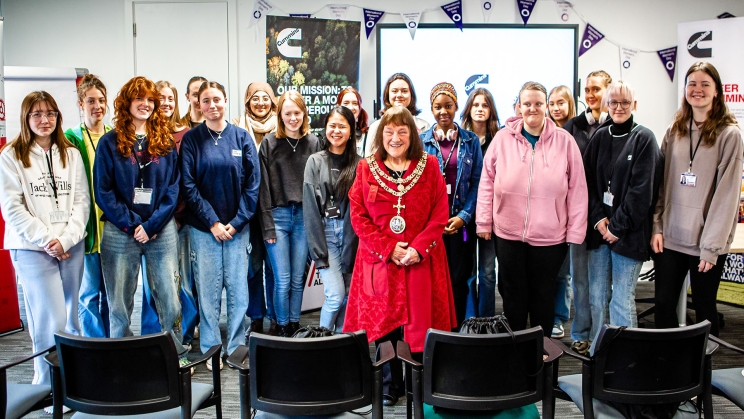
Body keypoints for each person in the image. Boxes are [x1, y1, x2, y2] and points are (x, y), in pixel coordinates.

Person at [345, 105, 456, 406]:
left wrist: (418, 249)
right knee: (386, 326)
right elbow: (358, 215)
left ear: (412, 136)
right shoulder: (366, 169)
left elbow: (439, 214)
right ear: (380, 135)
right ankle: (389, 384)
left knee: (423, 323)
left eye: (402, 132)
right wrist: (387, 248)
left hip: (421, 260)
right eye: (389, 131)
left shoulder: (430, 165)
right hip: (380, 261)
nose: (395, 137)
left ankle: (419, 384)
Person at [475, 81, 588, 337]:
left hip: (550, 238)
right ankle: (514, 362)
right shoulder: (503, 138)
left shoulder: (565, 141)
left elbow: (578, 189)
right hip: (508, 234)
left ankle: (542, 359)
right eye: (527, 104)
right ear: (519, 106)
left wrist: (575, 232)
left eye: (538, 103)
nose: (533, 109)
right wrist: (483, 222)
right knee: (513, 299)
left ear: (546, 106)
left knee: (542, 299)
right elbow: (486, 182)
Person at [94, 76, 188, 359]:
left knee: (170, 298)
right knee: (120, 303)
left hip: (161, 229)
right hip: (120, 231)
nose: (145, 105)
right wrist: (134, 225)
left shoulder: (165, 142)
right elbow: (104, 192)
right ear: (127, 103)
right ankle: (121, 358)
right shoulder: (109, 143)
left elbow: (174, 189)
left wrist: (152, 225)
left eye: (150, 100)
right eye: (139, 99)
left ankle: (176, 353)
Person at [0, 91, 89, 385]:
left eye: (50, 113)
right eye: (36, 114)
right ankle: (48, 387)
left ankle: (74, 383)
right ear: (26, 118)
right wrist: (48, 240)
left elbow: (81, 202)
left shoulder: (70, 153)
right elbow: (13, 209)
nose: (44, 120)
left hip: (70, 245)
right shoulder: (11, 156)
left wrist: (65, 239)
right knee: (48, 319)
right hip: (32, 249)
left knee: (71, 319)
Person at [652, 62, 743, 337]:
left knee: (704, 309)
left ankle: (705, 374)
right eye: (692, 84)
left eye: (705, 84)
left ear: (717, 91)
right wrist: (657, 226)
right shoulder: (674, 129)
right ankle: (667, 370)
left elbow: (727, 196)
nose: (697, 89)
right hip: (670, 237)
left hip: (705, 243)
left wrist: (712, 247)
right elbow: (661, 186)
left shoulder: (730, 134)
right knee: (663, 307)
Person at [181, 80, 260, 370]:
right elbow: (188, 186)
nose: (212, 106)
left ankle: (237, 347)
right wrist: (213, 222)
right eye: (206, 101)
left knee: (239, 290)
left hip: (237, 230)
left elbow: (253, 185)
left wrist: (236, 222)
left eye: (217, 99)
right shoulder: (192, 139)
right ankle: (211, 348)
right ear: (198, 104)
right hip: (204, 230)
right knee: (209, 290)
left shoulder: (241, 137)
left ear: (226, 101)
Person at [584, 81, 662, 348]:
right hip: (599, 232)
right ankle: (598, 352)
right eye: (614, 102)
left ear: (634, 105)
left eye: (625, 103)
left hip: (628, 235)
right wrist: (599, 221)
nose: (618, 107)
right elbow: (589, 184)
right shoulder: (599, 137)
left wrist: (616, 227)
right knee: (597, 296)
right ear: (607, 104)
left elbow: (642, 192)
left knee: (622, 297)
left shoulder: (644, 138)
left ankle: (624, 357)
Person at [136, 80, 200, 348]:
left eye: (170, 98)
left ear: (177, 102)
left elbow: (184, 180)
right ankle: (153, 341)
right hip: (149, 224)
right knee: (152, 286)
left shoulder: (186, 135)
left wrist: (174, 214)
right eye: (159, 98)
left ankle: (180, 338)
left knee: (180, 282)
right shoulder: (142, 135)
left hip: (179, 220)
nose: (165, 103)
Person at [420, 82, 482, 327]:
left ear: (456, 106)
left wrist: (465, 216)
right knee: (432, 279)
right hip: (431, 225)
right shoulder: (421, 142)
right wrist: (433, 220)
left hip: (461, 224)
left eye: (448, 106)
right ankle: (435, 329)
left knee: (459, 278)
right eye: (438, 107)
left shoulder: (470, 141)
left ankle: (455, 330)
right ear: (431, 109)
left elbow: (478, 182)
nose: (443, 111)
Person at [259, 90, 320, 337]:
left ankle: (295, 325)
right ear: (280, 115)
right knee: (282, 279)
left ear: (304, 114)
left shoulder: (314, 142)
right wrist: (267, 226)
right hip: (278, 217)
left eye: (297, 113)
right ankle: (282, 326)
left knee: (297, 279)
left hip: (304, 218)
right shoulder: (269, 143)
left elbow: (318, 185)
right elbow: (262, 188)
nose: (293, 118)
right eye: (288, 114)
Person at [561, 70, 612, 354]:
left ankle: (600, 334)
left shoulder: (619, 125)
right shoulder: (573, 126)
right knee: (579, 280)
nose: (591, 95)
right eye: (588, 90)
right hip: (580, 215)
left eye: (597, 89)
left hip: (608, 217)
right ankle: (580, 332)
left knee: (602, 285)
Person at [303, 106, 361, 330]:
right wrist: (318, 252)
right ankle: (322, 343)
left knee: (347, 297)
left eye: (342, 126)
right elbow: (310, 208)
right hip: (325, 232)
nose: (336, 131)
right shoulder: (315, 161)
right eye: (332, 125)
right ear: (325, 128)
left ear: (351, 130)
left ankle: (341, 344)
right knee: (336, 295)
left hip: (351, 233)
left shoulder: (359, 163)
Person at [64, 75, 111, 338]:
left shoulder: (114, 136)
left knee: (111, 294)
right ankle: (95, 347)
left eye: (102, 100)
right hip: (87, 229)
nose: (97, 106)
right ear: (81, 103)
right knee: (90, 294)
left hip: (112, 228)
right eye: (91, 101)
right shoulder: (71, 139)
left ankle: (110, 345)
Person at [232, 81, 278, 335]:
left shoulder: (281, 127)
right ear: (248, 101)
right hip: (246, 208)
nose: (260, 103)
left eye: (265, 98)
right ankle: (256, 317)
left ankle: (273, 316)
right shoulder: (237, 126)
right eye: (255, 98)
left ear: (273, 101)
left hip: (273, 209)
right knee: (252, 267)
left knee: (273, 266)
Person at [460, 87, 500, 317]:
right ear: (468, 109)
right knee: (469, 271)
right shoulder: (461, 139)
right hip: (466, 215)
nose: (480, 109)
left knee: (487, 272)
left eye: (484, 105)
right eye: (476, 105)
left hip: (492, 216)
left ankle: (486, 319)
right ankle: (470, 318)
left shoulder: (499, 138)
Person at [547, 84, 577, 338]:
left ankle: (558, 317)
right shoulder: (543, 132)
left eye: (561, 103)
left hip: (565, 214)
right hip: (544, 217)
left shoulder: (575, 133)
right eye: (552, 103)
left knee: (562, 273)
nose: (556, 108)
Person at [364, 73, 430, 156]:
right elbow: (369, 161)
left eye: (404, 91)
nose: (399, 95)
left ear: (411, 95)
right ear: (387, 95)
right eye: (394, 91)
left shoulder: (424, 126)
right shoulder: (375, 127)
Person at [336, 86, 369, 155]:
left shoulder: (367, 136)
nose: (350, 107)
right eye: (346, 103)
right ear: (338, 107)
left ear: (359, 108)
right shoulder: (330, 134)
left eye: (355, 103)